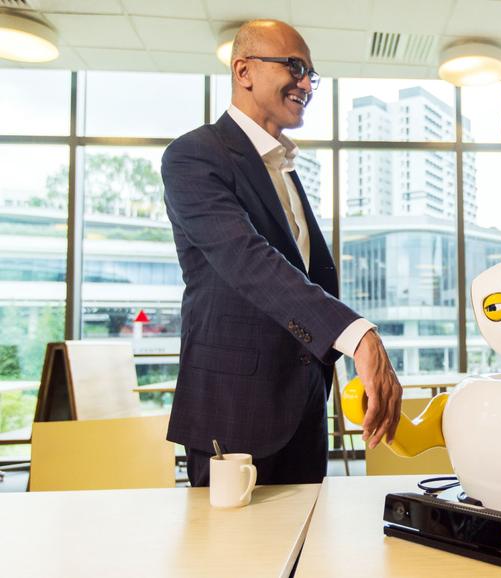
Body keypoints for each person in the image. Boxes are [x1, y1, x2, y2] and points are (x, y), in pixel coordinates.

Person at [161, 19, 402, 486]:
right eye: (294, 67)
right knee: (232, 538)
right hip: (233, 411)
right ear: (244, 71)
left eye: (311, 74)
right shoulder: (194, 155)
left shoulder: (284, 168)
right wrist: (356, 335)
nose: (307, 84)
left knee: (309, 535)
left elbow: (306, 275)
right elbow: (247, 260)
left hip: (303, 407)